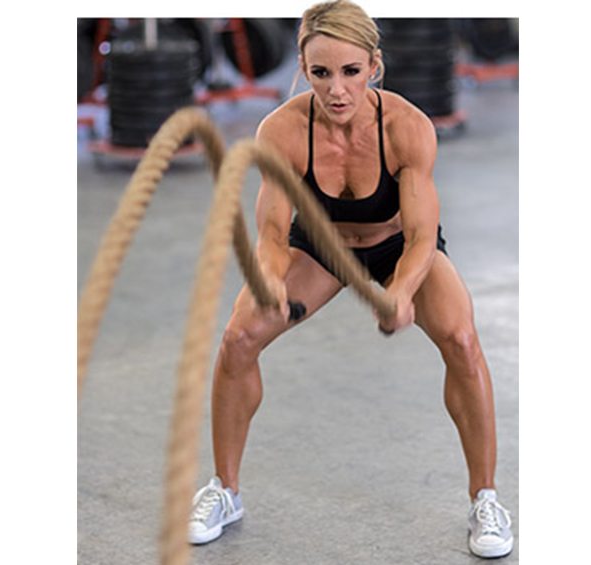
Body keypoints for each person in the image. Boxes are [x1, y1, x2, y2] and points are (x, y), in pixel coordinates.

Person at [188, 0, 514, 559]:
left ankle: (485, 498)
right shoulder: (282, 131)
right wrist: (269, 281)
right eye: (320, 73)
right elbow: (273, 233)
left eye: (350, 71)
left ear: (374, 66)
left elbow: (421, 237)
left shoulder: (407, 128)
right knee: (238, 338)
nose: (336, 89)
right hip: (321, 247)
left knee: (462, 340)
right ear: (302, 66)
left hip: (396, 246)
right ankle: (225, 491)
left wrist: (400, 292)